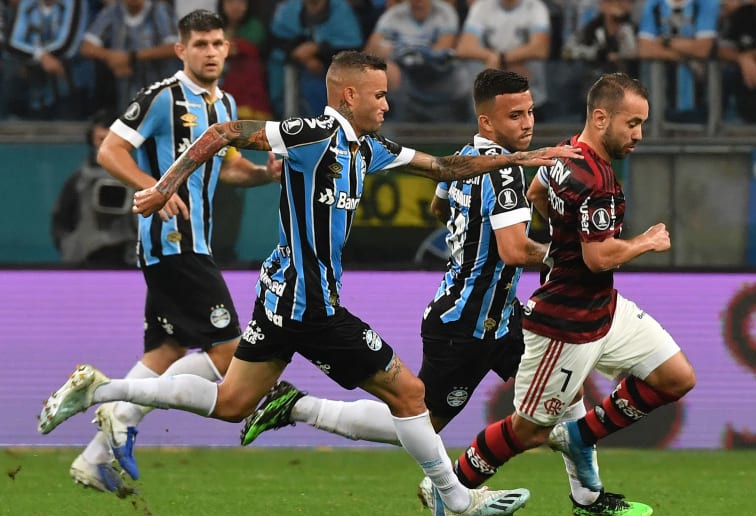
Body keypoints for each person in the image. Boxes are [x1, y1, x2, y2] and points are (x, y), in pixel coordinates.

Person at [38, 51, 579, 515]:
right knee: (410, 393)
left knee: (231, 403)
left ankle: (101, 389)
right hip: (309, 304)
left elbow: (442, 167)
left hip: (282, 296)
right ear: (349, 95)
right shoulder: (315, 135)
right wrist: (163, 187)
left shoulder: (368, 148)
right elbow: (225, 132)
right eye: (380, 96)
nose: (387, 105)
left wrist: (523, 157)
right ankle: (456, 498)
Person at [234, 68, 621, 515]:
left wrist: (469, 241)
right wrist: (566, 255)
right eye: (515, 116)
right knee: (418, 419)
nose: (528, 123)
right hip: (465, 324)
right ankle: (299, 408)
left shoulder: (462, 158)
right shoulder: (505, 175)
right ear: (487, 122)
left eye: (531, 112)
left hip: (502, 315)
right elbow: (515, 251)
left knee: (566, 394)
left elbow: (440, 205)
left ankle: (588, 498)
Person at [444, 73, 697, 516]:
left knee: (675, 377)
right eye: (632, 124)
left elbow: (536, 190)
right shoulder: (595, 178)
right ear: (601, 118)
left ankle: (579, 438)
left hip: (604, 309)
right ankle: (449, 490)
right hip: (565, 323)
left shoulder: (566, 153)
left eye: (642, 124)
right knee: (527, 430)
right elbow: (599, 258)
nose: (639, 134)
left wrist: (563, 238)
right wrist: (646, 241)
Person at [67, 9, 282, 493]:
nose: (210, 52)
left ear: (228, 48)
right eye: (200, 44)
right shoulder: (163, 97)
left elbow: (229, 169)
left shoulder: (224, 104)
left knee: (165, 350)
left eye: (217, 43)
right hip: (173, 244)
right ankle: (118, 414)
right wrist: (157, 187)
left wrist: (263, 174)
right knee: (230, 357)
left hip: (194, 243)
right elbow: (110, 151)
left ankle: (95, 455)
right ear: (180, 50)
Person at [50, 110, 137, 268]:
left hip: (128, 259)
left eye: (112, 140)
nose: (105, 145)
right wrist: (71, 248)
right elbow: (60, 221)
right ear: (92, 139)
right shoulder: (79, 181)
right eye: (101, 139)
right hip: (86, 260)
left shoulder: (138, 181)